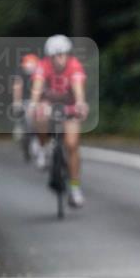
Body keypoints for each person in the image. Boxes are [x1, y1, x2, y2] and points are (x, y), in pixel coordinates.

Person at [29, 35, 89, 208]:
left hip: (69, 106)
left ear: (67, 54)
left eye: (62, 54)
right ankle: (42, 147)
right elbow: (37, 87)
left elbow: (78, 88)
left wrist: (80, 103)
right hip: (48, 104)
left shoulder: (74, 66)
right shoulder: (43, 66)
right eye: (55, 56)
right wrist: (34, 103)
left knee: (72, 144)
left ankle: (75, 188)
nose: (59, 59)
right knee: (39, 114)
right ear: (49, 56)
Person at [12, 53, 41, 161]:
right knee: (24, 121)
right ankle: (21, 132)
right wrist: (16, 102)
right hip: (24, 101)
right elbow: (17, 87)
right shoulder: (20, 74)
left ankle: (37, 139)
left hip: (36, 101)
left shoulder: (40, 74)